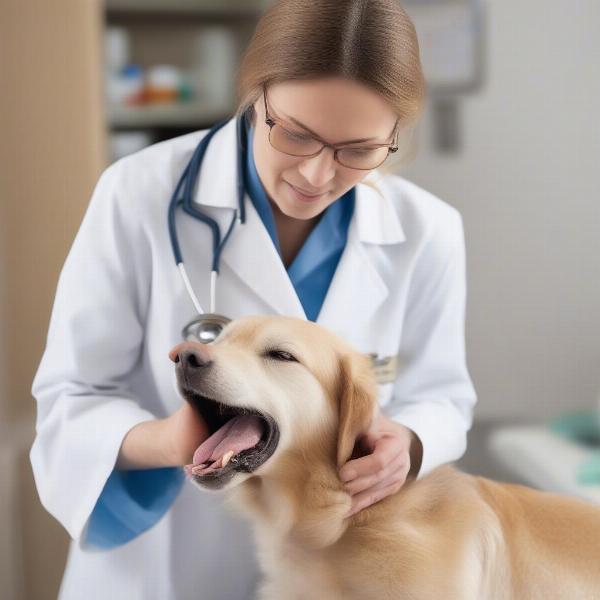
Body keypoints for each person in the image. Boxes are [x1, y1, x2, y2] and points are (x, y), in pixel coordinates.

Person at [30, 0, 477, 598]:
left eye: (359, 150)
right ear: (255, 94)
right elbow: (72, 398)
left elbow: (443, 396)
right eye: (296, 134)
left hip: (331, 568)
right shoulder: (138, 193)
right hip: (168, 566)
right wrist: (171, 440)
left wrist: (410, 444)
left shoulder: (428, 230)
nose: (318, 175)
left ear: (394, 135)